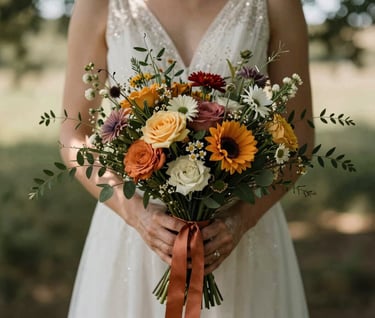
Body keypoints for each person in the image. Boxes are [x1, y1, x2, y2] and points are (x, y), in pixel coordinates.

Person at [61, 0, 313, 317]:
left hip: (241, 236)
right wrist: (136, 214)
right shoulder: (100, 4)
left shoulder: (275, 4)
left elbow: (299, 137)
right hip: (133, 237)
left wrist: (242, 220)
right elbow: (73, 136)